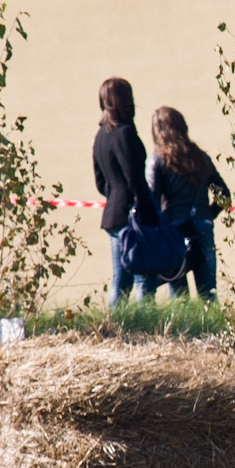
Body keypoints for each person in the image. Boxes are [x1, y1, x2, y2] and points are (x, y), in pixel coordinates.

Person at [146, 106, 230, 301]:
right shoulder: (201, 157)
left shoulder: (157, 161)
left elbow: (152, 201)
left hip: (174, 232)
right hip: (202, 226)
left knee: (180, 297)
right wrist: (207, 214)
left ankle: (186, 332)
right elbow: (224, 195)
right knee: (208, 295)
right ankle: (211, 332)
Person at [93, 77, 160, 308]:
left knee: (121, 281)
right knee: (144, 277)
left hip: (113, 215)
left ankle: (116, 328)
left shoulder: (101, 135)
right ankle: (144, 328)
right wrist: (151, 215)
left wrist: (115, 196)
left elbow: (100, 182)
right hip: (134, 216)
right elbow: (135, 179)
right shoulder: (124, 134)